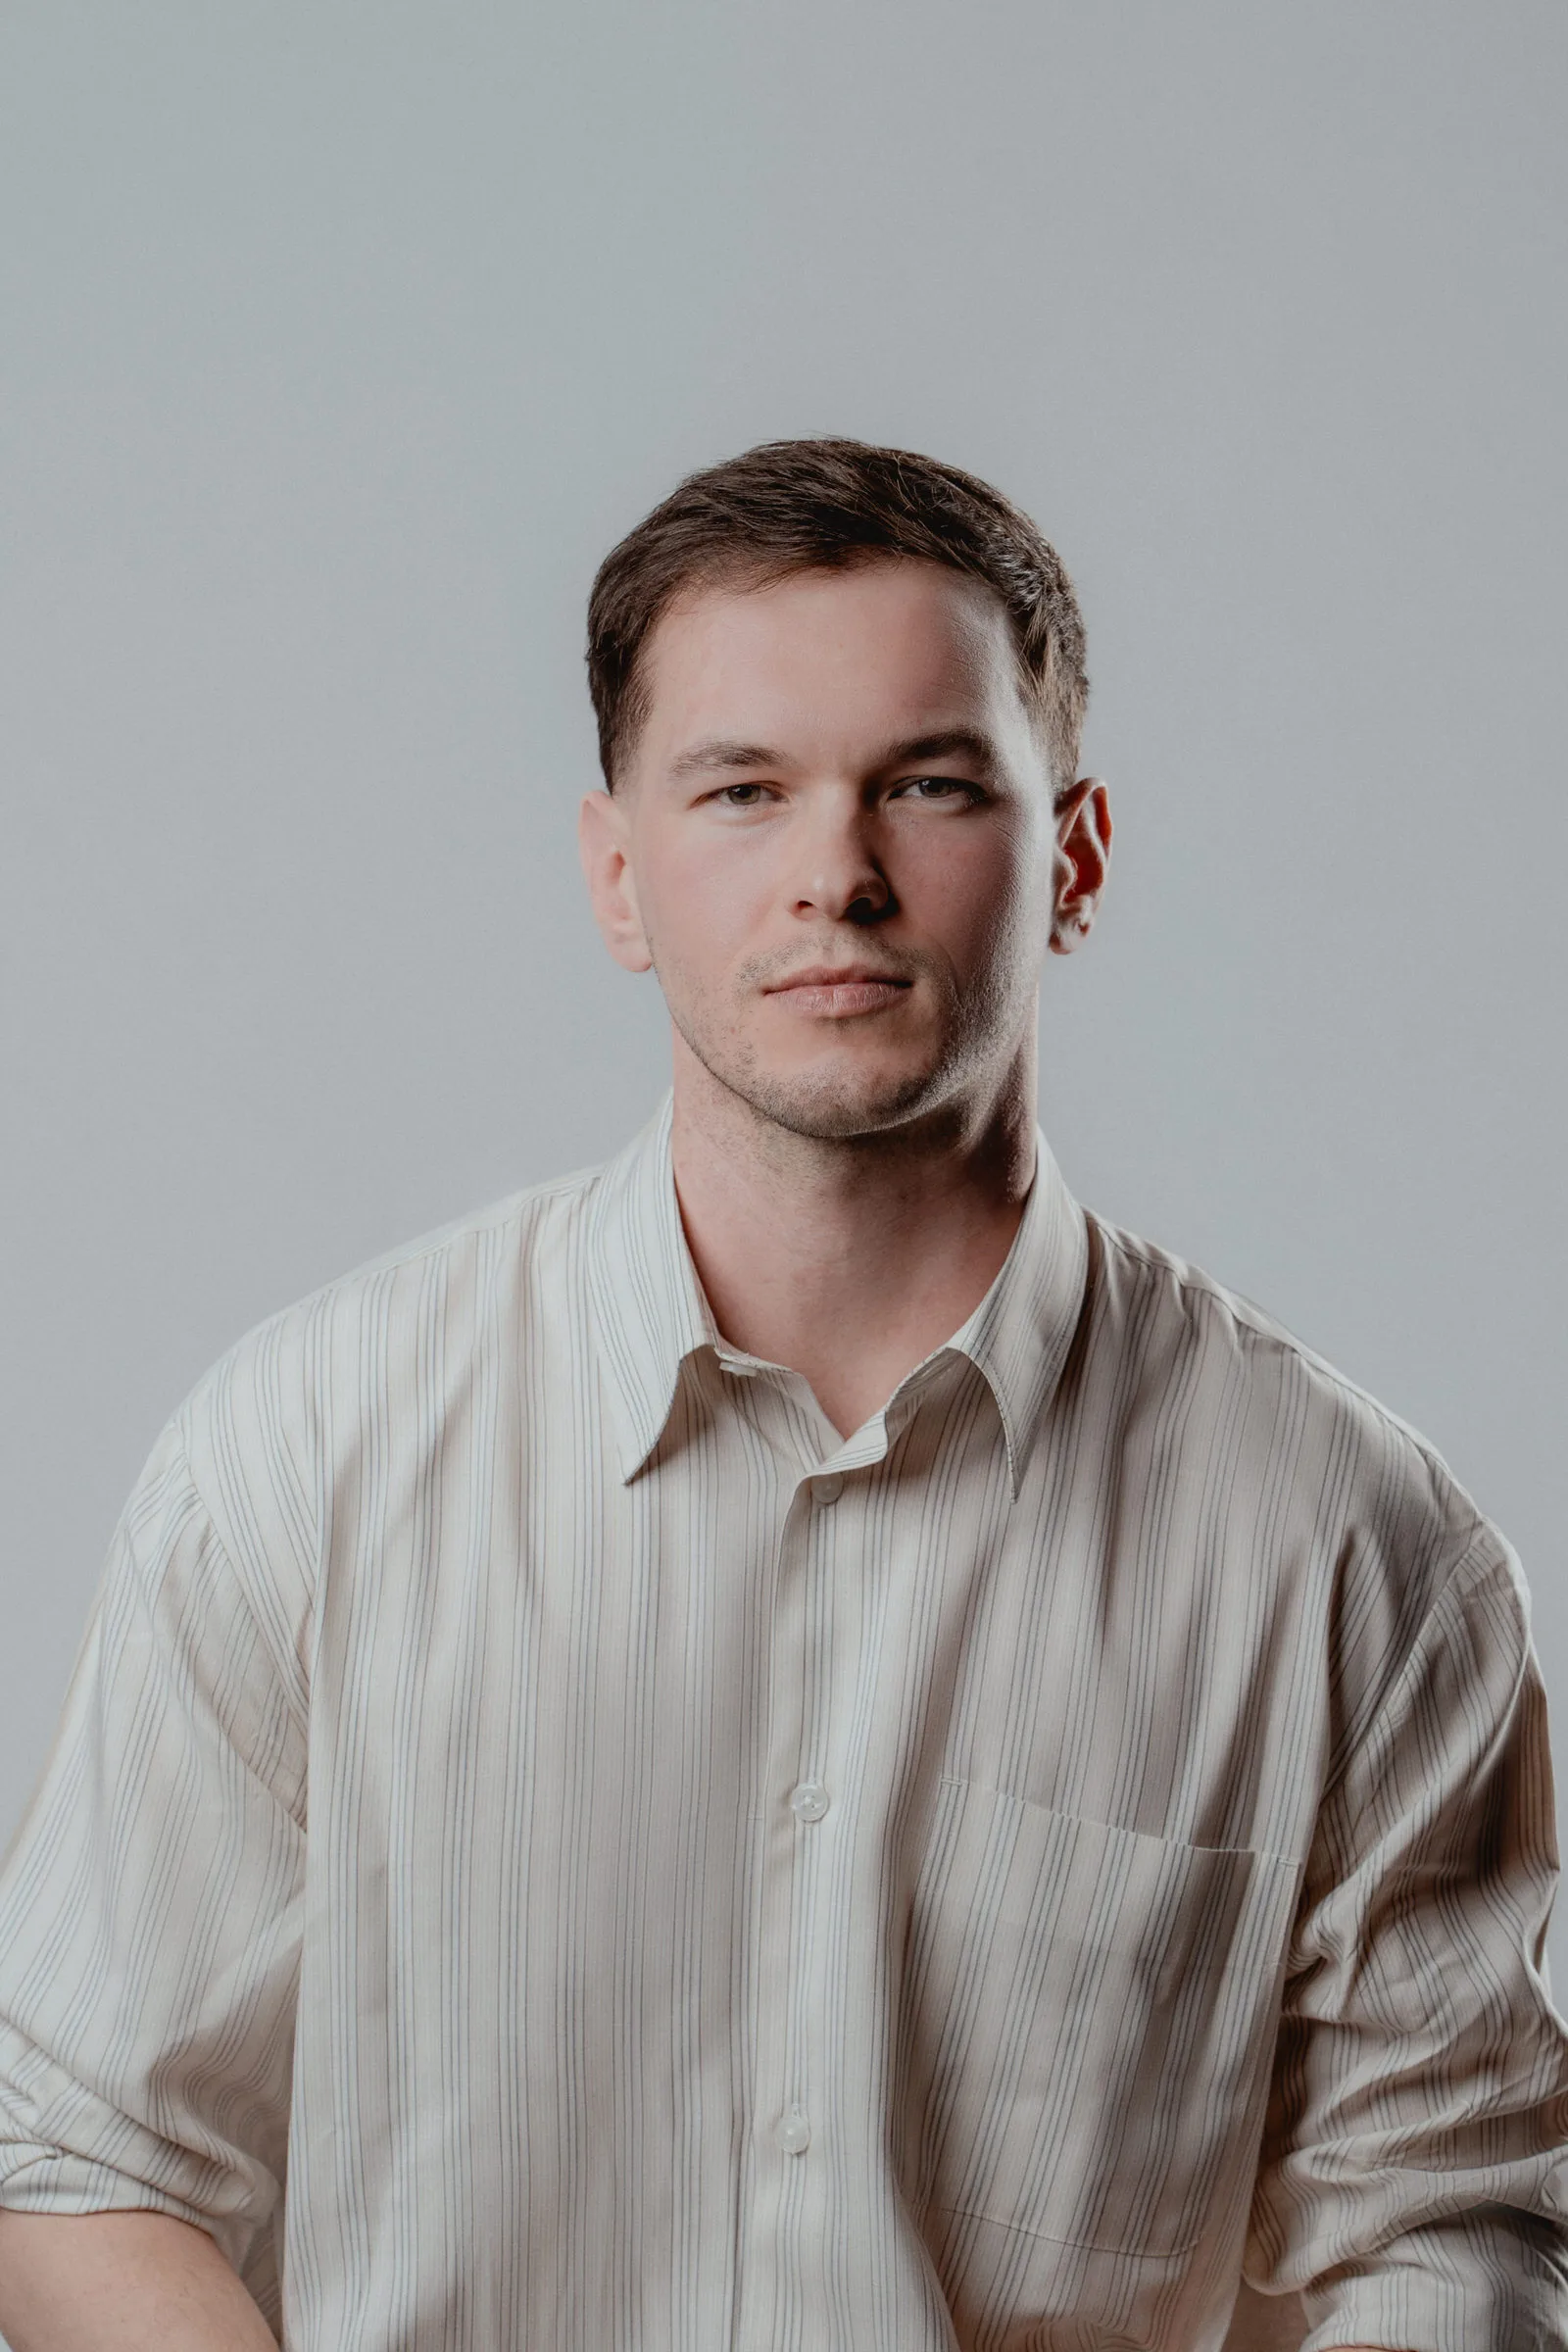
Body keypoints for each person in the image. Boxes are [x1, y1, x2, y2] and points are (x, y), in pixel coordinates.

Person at [0, 439, 1562, 2352]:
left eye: (925, 784)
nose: (835, 875)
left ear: (1069, 852)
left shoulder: (1348, 1556)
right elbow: (81, 2153)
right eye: (742, 791)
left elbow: (1446, 2239)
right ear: (618, 873)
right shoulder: (299, 1465)